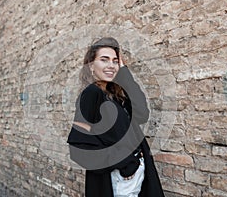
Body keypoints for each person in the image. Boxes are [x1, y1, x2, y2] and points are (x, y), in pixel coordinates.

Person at [67, 37, 165, 197]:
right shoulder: (91, 94)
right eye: (104, 60)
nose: (111, 65)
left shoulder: (115, 93)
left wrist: (124, 71)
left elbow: (142, 114)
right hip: (119, 178)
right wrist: (123, 161)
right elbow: (78, 148)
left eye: (114, 61)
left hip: (137, 170)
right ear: (91, 65)